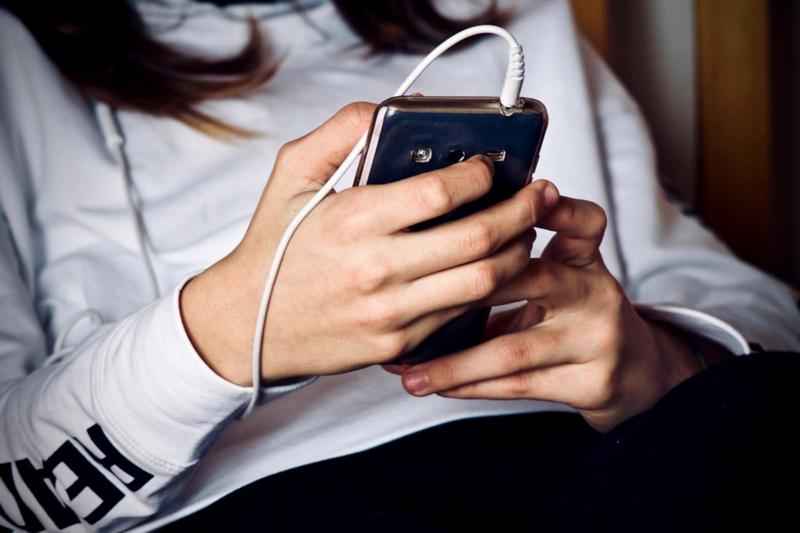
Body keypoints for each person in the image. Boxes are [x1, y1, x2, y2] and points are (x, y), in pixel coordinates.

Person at [0, 0, 798, 531]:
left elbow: (750, 306)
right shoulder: (17, 58)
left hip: (602, 455)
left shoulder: (505, 14)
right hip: (279, 494)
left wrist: (659, 358)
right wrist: (227, 329)